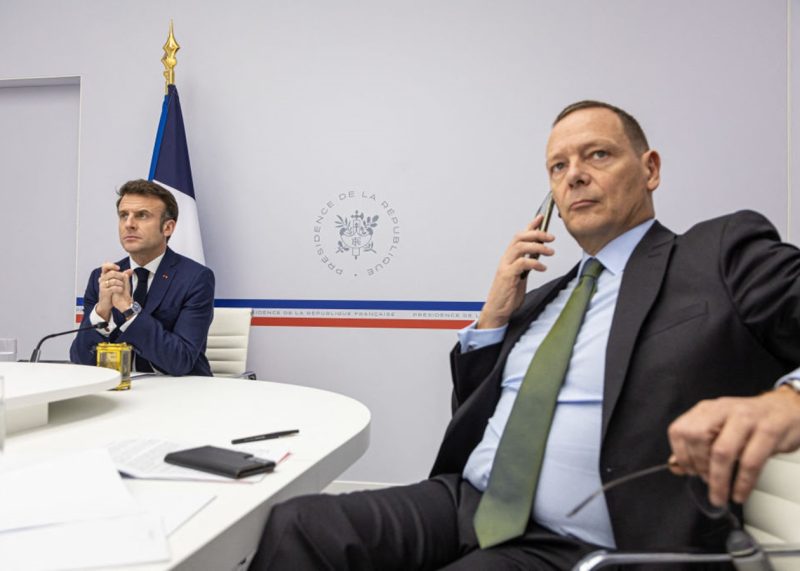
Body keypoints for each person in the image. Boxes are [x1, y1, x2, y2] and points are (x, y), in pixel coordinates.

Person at [250, 101, 800, 570]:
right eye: (558, 166)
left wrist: (786, 402)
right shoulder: (541, 300)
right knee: (299, 525)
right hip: (470, 501)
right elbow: (473, 415)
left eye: (597, 155)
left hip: (583, 542)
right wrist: (492, 316)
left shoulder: (716, 254)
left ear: (650, 168)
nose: (574, 176)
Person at [70, 179, 215, 376]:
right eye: (123, 215)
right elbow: (80, 360)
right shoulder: (104, 278)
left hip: (180, 389)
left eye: (142, 215)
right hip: (121, 388)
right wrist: (102, 311)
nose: (129, 224)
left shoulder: (195, 278)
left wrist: (129, 310)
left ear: (168, 228)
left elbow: (180, 361)